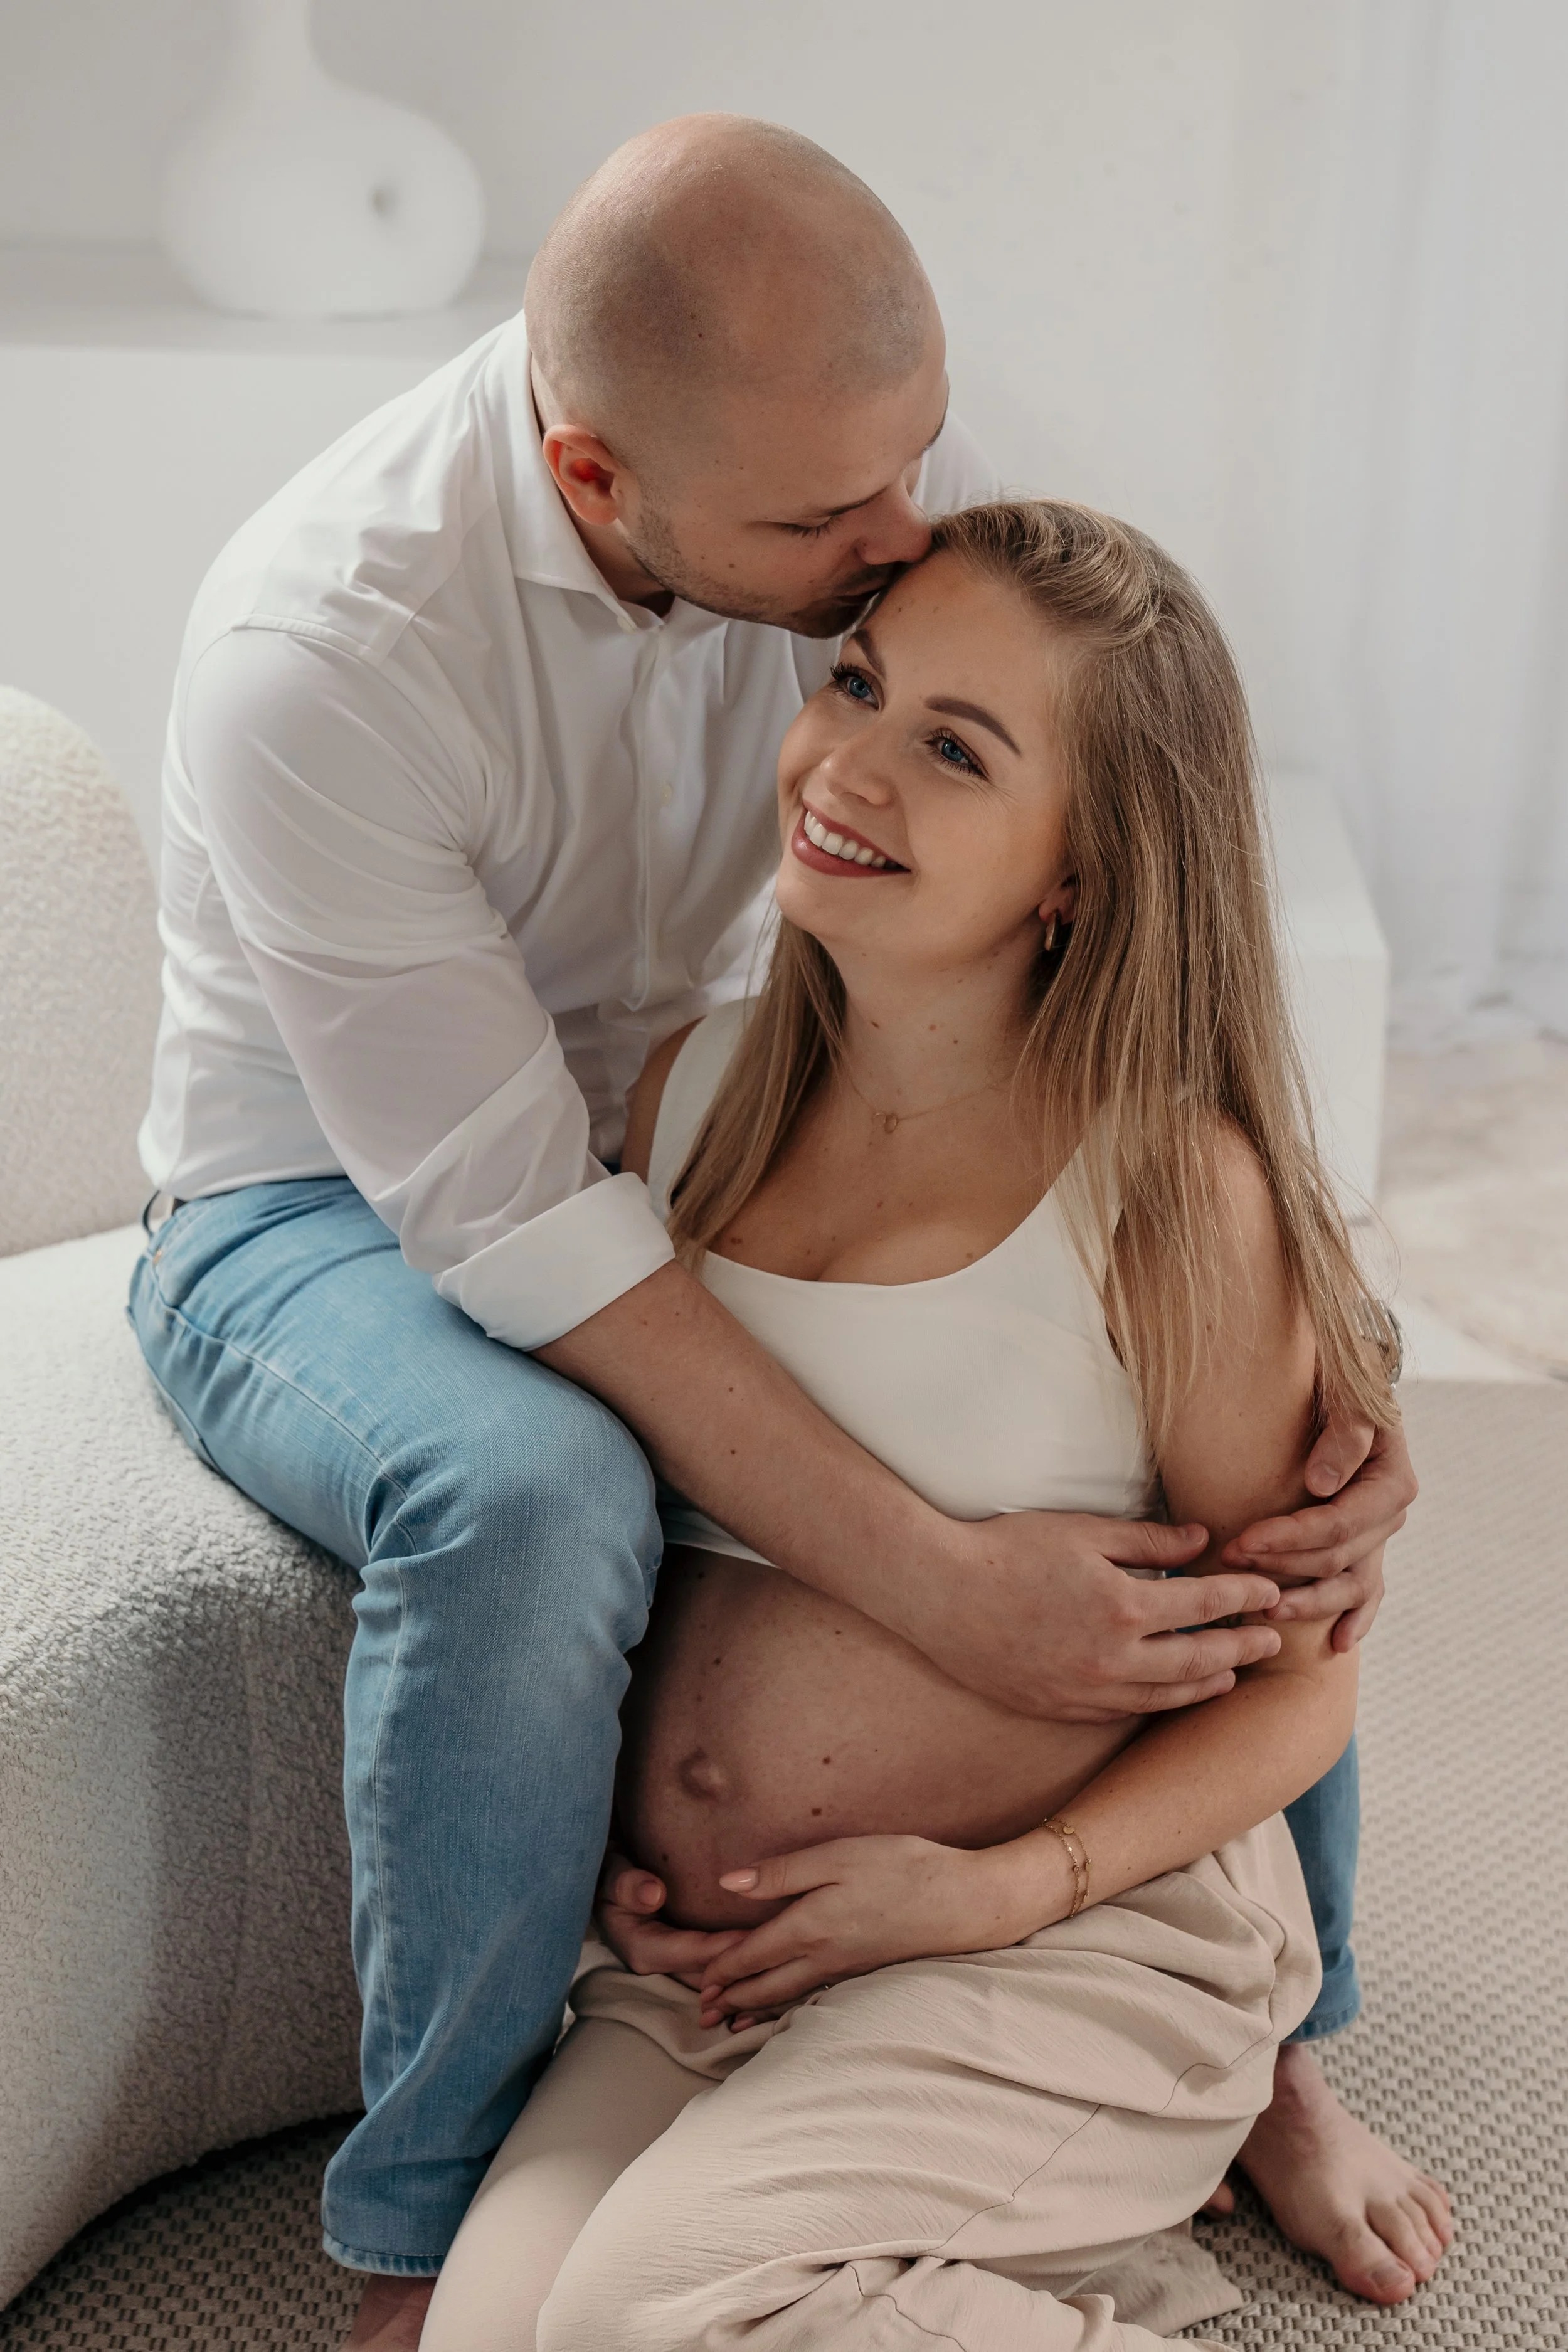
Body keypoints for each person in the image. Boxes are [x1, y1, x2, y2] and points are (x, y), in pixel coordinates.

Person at [125, 117, 1429, 2350]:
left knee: (1248, 1503)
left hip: (678, 1131)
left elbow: (1100, 817)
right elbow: (526, 1215)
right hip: (338, 1181)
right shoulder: (320, 652)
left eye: (910, 465)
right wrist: (940, 1587)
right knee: (528, 1486)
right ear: (599, 480)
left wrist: (1337, 1368)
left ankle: (1261, 2062)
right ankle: (419, 2221)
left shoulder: (837, 489)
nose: (892, 543)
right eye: (833, 539)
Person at [421, 501, 1449, 2352]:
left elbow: (1300, 1688)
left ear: (1077, 870)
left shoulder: (1161, 1198)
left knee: (627, 2326)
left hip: (1066, 1940)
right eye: (858, 684)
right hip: (705, 1972)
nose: (846, 762)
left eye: (953, 748)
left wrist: (986, 1890)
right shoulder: (693, 1094)